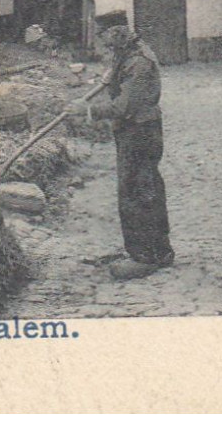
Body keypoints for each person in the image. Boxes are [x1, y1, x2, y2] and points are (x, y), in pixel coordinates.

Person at [76, 22, 175, 280]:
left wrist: (87, 111)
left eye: (105, 35)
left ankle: (145, 256)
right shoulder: (126, 54)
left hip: (140, 132)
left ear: (117, 32)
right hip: (133, 130)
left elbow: (124, 106)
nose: (103, 41)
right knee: (143, 188)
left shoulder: (139, 62)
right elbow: (114, 81)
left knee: (137, 191)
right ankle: (158, 251)